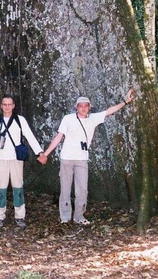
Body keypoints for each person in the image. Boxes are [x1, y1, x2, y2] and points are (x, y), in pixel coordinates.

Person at [40, 89, 135, 225]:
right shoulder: (68, 119)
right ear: (76, 108)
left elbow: (109, 111)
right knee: (65, 188)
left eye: (86, 106)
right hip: (66, 158)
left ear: (89, 107)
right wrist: (46, 154)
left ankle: (79, 216)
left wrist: (126, 102)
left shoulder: (93, 118)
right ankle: (65, 217)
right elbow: (58, 137)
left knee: (82, 189)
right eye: (81, 106)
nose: (83, 108)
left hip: (82, 159)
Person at [0, 95, 46, 229]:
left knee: (18, 186)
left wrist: (40, 153)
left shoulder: (20, 120)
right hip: (1, 158)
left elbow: (29, 136)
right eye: (4, 104)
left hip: (16, 158)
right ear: (1, 106)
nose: (7, 107)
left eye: (9, 104)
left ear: (13, 106)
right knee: (0, 187)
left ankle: (20, 216)